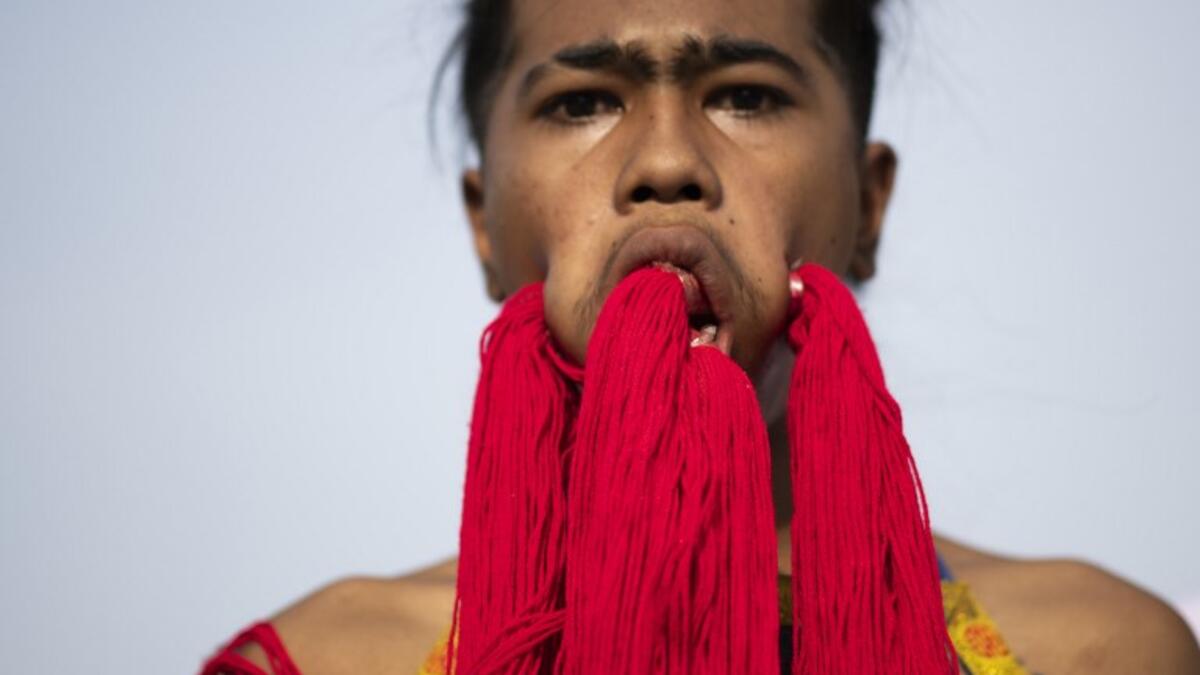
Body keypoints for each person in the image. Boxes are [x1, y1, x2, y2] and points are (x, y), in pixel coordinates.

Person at [201, 0, 1200, 673]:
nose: (668, 162)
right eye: (581, 103)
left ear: (868, 202)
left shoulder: (1099, 652)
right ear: (483, 222)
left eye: (747, 95)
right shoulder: (323, 661)